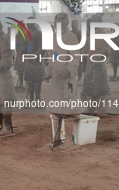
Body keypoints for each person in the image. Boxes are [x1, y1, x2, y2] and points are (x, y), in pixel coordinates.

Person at [44, 12, 84, 150]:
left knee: (68, 112)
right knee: (55, 110)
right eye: (56, 23)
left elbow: (75, 57)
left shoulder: (71, 37)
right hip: (56, 79)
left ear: (66, 23)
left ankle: (69, 141)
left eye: (60, 23)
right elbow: (51, 56)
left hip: (68, 80)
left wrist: (68, 70)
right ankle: (56, 138)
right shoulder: (54, 37)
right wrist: (48, 72)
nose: (57, 25)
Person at [81, 14, 110, 114]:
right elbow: (85, 50)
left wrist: (102, 54)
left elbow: (107, 50)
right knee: (89, 89)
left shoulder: (104, 34)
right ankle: (90, 108)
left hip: (99, 67)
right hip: (89, 66)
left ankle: (101, 110)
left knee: (101, 90)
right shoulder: (90, 35)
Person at [24, 18, 45, 101]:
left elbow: (41, 47)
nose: (26, 25)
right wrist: (23, 50)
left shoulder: (38, 33)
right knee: (30, 82)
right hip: (29, 61)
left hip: (36, 61)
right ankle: (31, 100)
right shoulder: (26, 33)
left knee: (37, 83)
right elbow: (25, 45)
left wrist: (36, 55)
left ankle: (38, 100)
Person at [14, 21, 27, 88]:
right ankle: (21, 83)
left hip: (25, 54)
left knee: (26, 70)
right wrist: (18, 50)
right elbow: (16, 45)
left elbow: (27, 45)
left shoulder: (26, 35)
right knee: (20, 70)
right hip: (19, 54)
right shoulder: (17, 36)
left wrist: (25, 50)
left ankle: (27, 83)